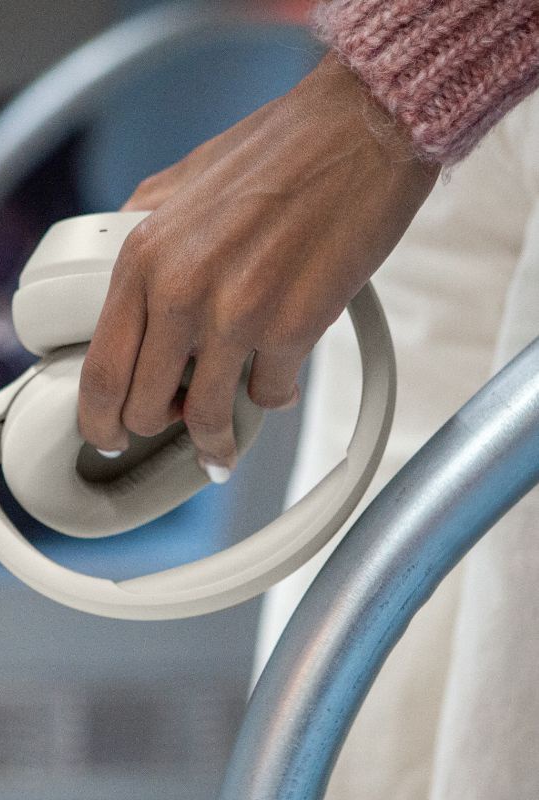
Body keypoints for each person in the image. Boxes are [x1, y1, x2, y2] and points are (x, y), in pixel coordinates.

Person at [77, 2, 539, 798]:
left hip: (434, 60)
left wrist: (378, 97)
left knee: (505, 724)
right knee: (359, 736)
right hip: (445, 87)